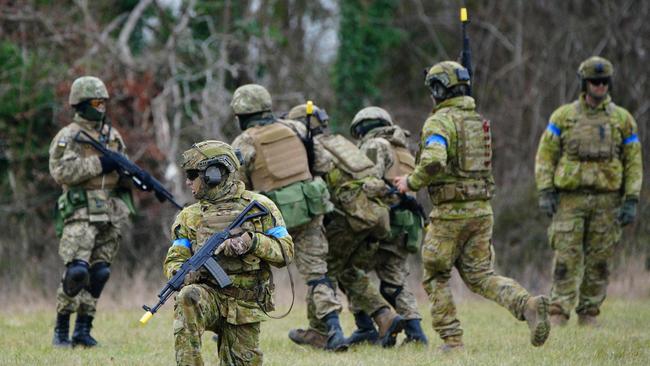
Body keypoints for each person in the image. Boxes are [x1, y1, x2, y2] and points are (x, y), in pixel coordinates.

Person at [394, 61, 550, 351]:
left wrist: (410, 182)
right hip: (481, 210)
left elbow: (434, 160)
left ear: (439, 90)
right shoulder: (477, 120)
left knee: (435, 274)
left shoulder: (439, 122)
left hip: (451, 213)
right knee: (481, 276)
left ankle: (453, 342)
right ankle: (527, 305)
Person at [230, 85, 347, 351]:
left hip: (270, 217)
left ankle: (233, 328)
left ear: (242, 114)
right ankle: (334, 330)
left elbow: (236, 185)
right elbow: (325, 163)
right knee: (317, 274)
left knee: (248, 271)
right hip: (309, 210)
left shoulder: (245, 142)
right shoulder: (297, 129)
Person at [286, 103, 405, 348]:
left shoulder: (313, 149)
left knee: (322, 272)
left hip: (349, 218)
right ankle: (384, 316)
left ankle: (320, 332)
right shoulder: (339, 143)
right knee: (348, 271)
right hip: (374, 215)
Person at [535, 56, 642, 326]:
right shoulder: (563, 117)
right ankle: (558, 312)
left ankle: (589, 314)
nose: (599, 87)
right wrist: (546, 190)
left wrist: (631, 198)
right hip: (570, 199)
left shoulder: (622, 120)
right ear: (584, 84)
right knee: (565, 258)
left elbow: (633, 161)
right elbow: (545, 156)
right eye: (594, 82)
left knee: (600, 261)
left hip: (607, 200)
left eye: (604, 82)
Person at [165, 140, 294, 365]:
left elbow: (286, 252)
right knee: (188, 297)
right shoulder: (189, 216)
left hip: (246, 304)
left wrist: (251, 242)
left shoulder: (260, 206)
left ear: (214, 174)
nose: (187, 181)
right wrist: (180, 273)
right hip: (208, 297)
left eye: (193, 174)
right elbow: (176, 257)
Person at [49, 76, 133, 347]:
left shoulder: (112, 136)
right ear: (81, 104)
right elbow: (61, 171)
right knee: (77, 272)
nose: (100, 107)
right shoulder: (69, 136)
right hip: (80, 212)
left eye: (103, 102)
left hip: (109, 213)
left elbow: (123, 172)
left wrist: (130, 176)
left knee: (100, 273)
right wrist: (100, 164)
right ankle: (61, 329)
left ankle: (83, 329)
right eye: (95, 102)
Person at [345, 106, 428, 345]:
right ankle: (416, 334)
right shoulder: (403, 150)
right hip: (406, 226)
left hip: (384, 224)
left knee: (351, 271)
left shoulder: (376, 146)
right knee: (394, 283)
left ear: (362, 128)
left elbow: (366, 181)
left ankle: (365, 327)